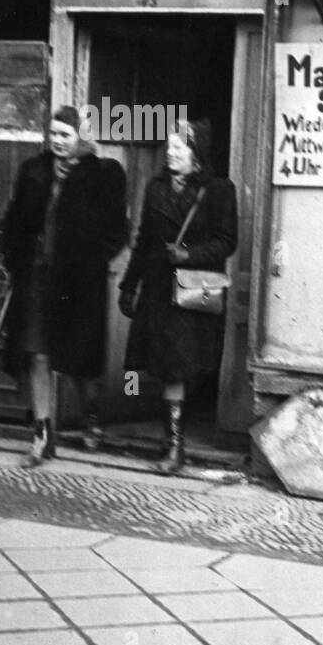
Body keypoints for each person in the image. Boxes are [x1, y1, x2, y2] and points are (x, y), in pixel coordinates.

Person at [0, 105, 128, 466]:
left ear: (81, 137)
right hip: (37, 278)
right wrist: (13, 257)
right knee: (37, 353)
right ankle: (42, 434)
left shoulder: (104, 174)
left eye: (65, 135)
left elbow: (118, 229)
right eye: (53, 134)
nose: (57, 141)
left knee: (77, 362)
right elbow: (14, 220)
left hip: (77, 282)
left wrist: (93, 261)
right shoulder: (33, 170)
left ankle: (90, 412)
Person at [118, 119, 238, 474]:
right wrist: (129, 284)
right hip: (158, 289)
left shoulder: (219, 190)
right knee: (170, 367)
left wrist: (189, 255)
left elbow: (227, 241)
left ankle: (175, 443)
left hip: (194, 291)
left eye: (179, 147)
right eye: (168, 146)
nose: (170, 152)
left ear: (197, 155)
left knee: (183, 367)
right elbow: (142, 240)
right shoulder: (156, 188)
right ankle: (174, 446)